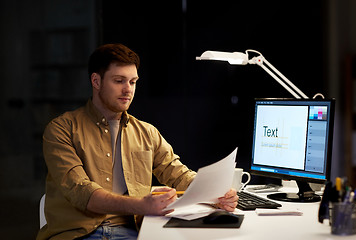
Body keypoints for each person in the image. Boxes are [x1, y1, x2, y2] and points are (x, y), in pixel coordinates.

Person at [36, 43, 238, 240]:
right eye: (119, 81)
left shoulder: (146, 132)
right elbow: (81, 191)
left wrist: (216, 194)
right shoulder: (61, 129)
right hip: (77, 233)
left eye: (132, 82)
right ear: (96, 81)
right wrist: (141, 205)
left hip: (134, 232)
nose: (128, 90)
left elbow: (177, 173)